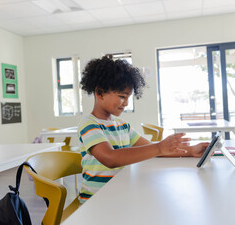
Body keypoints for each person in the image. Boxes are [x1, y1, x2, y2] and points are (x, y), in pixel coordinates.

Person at [77, 55, 209, 203]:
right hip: (96, 201)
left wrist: (190, 151)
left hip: (120, 194)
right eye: (122, 96)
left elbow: (151, 149)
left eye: (128, 98)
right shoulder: (89, 124)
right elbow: (110, 158)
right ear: (100, 92)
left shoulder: (122, 125)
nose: (126, 103)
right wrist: (159, 147)